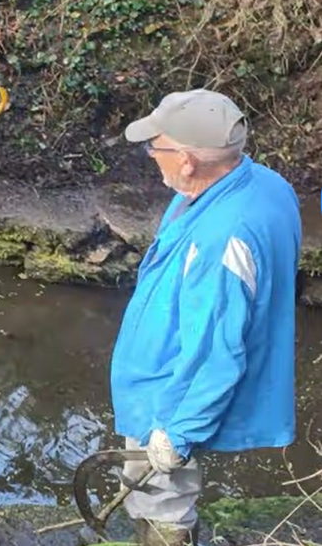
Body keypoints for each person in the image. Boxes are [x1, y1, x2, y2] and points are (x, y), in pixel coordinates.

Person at [112, 89, 299, 546]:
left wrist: (177, 433)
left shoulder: (223, 241)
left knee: (163, 500)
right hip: (159, 367)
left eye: (155, 148)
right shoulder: (264, 183)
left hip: (171, 392)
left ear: (188, 161)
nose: (151, 156)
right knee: (148, 487)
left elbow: (219, 352)